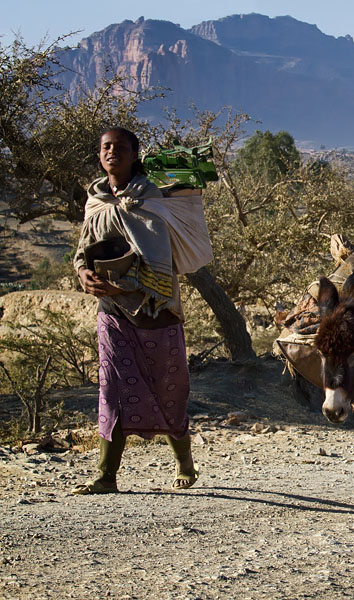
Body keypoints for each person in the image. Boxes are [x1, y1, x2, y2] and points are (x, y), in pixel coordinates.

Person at [71, 127, 198, 494]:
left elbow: (160, 262)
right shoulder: (95, 201)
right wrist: (84, 274)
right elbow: (83, 250)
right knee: (111, 389)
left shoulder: (151, 199)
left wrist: (127, 285)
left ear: (133, 154)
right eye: (106, 147)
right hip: (112, 312)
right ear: (100, 155)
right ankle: (106, 475)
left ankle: (184, 463)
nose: (113, 152)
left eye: (121, 148)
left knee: (169, 390)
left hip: (157, 310)